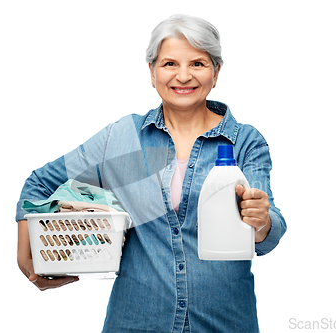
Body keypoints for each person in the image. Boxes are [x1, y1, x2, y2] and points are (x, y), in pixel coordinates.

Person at [16, 14, 286, 333]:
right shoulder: (123, 138)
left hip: (224, 322)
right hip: (137, 321)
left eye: (197, 64)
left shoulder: (243, 141)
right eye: (170, 63)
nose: (183, 76)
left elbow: (270, 233)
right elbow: (40, 183)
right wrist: (26, 257)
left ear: (216, 73)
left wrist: (261, 221)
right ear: (152, 71)